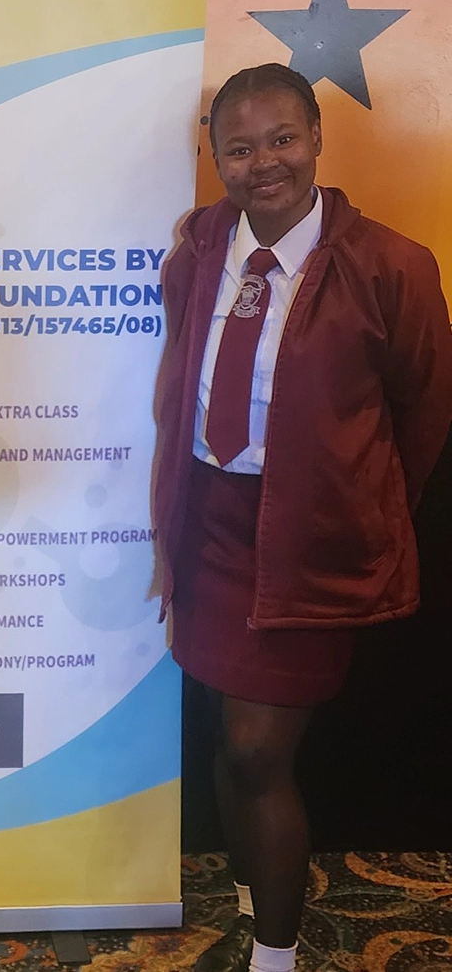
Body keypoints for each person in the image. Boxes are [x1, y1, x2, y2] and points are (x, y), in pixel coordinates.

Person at [153, 63, 452, 972]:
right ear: (217, 160)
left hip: (306, 543)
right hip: (208, 526)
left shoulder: (392, 265)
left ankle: (275, 956)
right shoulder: (199, 248)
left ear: (318, 138)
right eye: (238, 149)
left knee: (255, 750)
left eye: (282, 138)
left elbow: (424, 410)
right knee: (224, 730)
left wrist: (360, 506)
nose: (264, 163)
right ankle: (252, 889)